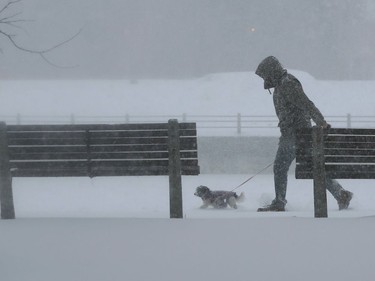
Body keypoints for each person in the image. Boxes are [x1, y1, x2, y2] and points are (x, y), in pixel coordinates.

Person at [255, 56, 353, 212]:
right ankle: (340, 194)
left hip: (296, 134)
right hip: (298, 134)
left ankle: (279, 201)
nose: (264, 79)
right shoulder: (282, 84)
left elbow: (307, 104)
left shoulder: (287, 85)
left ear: (271, 72)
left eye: (265, 75)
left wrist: (321, 122)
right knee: (314, 168)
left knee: (280, 167)